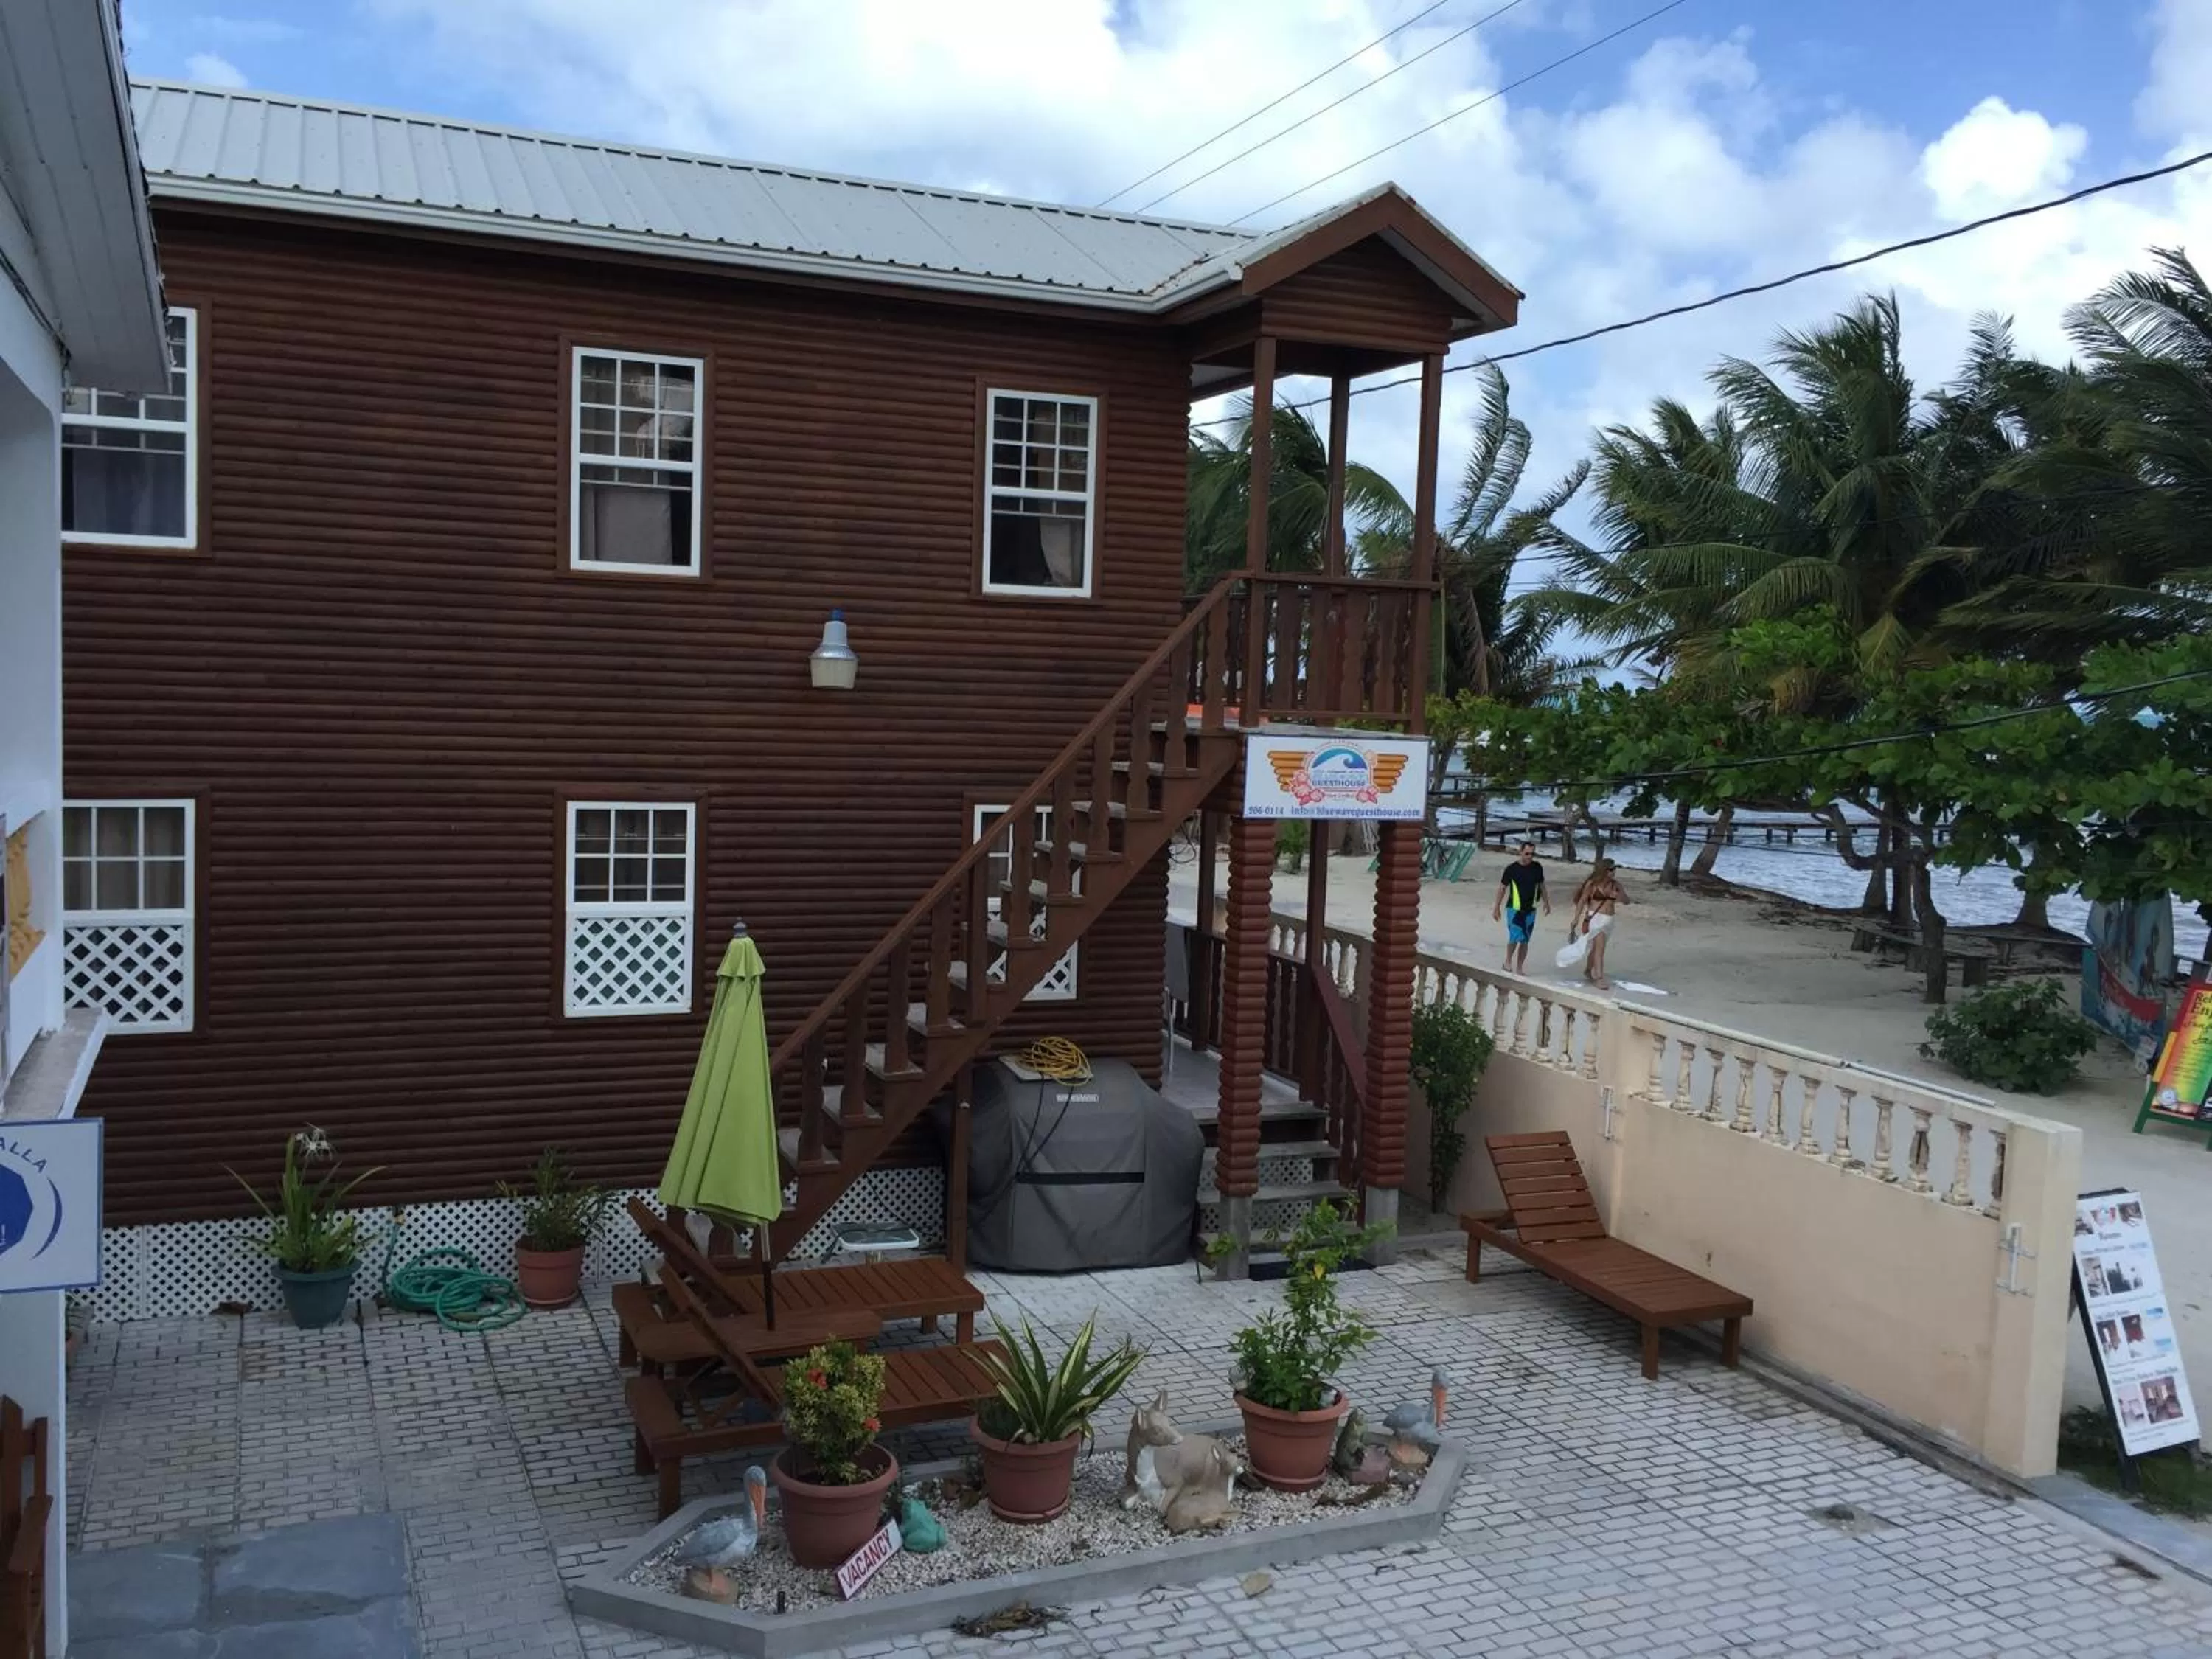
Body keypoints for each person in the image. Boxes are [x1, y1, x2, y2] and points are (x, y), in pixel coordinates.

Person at [1563, 858, 1630, 990]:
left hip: (1609, 920)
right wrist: (1576, 919)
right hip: (1596, 918)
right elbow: (1582, 901)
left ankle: (1588, 970)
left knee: (1595, 949)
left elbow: (1627, 901)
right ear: (1604, 871)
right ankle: (1599, 977)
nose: (1613, 872)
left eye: (1614, 869)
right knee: (1600, 949)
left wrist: (1619, 895)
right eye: (1611, 869)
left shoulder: (1616, 885)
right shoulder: (1593, 884)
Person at [1492, 843, 1550, 973]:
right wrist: (1496, 907)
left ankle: (1519, 967)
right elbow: (1502, 888)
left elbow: (1542, 885)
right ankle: (1507, 961)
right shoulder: (1512, 869)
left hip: (1530, 909)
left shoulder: (1537, 867)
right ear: (1521, 852)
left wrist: (1547, 903)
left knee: (1525, 939)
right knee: (1515, 937)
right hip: (1514, 908)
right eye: (1527, 854)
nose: (1530, 857)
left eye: (1532, 854)